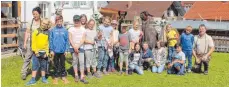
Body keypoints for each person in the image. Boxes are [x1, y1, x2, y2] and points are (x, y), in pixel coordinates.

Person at [26, 18, 52, 86]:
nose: (44, 25)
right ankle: (33, 79)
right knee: (35, 66)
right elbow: (33, 42)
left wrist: (47, 52)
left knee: (43, 66)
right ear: (41, 23)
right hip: (36, 53)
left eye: (46, 24)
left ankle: (43, 78)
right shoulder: (36, 31)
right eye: (43, 23)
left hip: (44, 53)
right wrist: (36, 52)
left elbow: (48, 43)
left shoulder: (48, 32)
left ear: (47, 25)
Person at [22, 7, 42, 80]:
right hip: (30, 43)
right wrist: (25, 43)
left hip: (40, 44)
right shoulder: (30, 22)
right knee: (27, 58)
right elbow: (27, 32)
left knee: (40, 58)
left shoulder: (43, 22)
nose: (35, 15)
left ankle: (40, 72)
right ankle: (24, 72)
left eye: (36, 14)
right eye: (33, 14)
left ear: (39, 14)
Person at [49, 15, 69, 84]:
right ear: (55, 22)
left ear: (62, 21)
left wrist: (66, 50)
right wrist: (51, 50)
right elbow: (50, 40)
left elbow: (67, 41)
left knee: (63, 64)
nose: (59, 23)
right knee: (56, 64)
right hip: (55, 51)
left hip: (63, 51)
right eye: (58, 21)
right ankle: (56, 77)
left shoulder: (65, 30)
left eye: (60, 21)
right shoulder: (52, 30)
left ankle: (63, 76)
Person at [68, 15, 88, 84]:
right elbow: (70, 38)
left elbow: (83, 39)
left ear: (80, 21)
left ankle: (82, 76)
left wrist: (78, 46)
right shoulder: (71, 29)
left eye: (78, 20)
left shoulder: (83, 29)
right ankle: (76, 74)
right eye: (75, 20)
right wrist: (74, 47)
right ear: (73, 21)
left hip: (81, 47)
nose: (76, 22)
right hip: (73, 47)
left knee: (82, 62)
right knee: (75, 61)